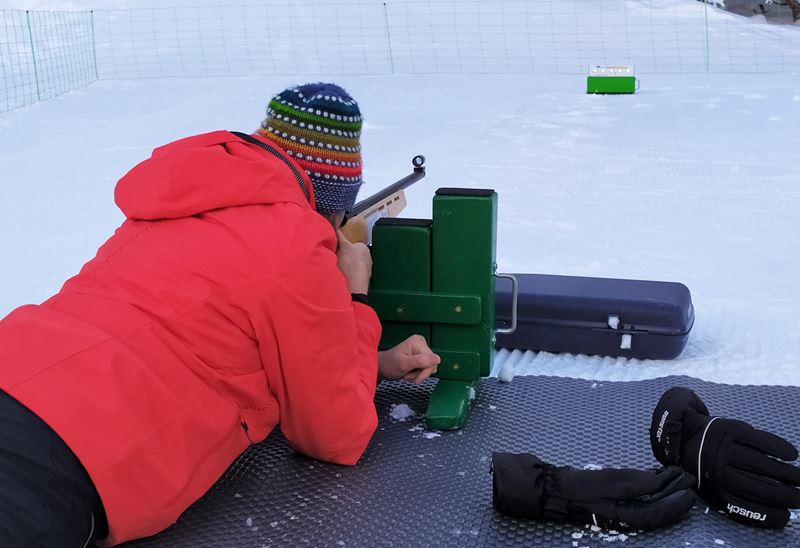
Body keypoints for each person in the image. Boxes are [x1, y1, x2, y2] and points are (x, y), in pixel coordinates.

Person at [0, 82, 440, 547]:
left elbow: (204, 337)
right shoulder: (295, 242)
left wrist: (373, 363)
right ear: (332, 205)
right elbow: (337, 434)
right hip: (70, 449)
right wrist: (354, 297)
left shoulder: (172, 204)